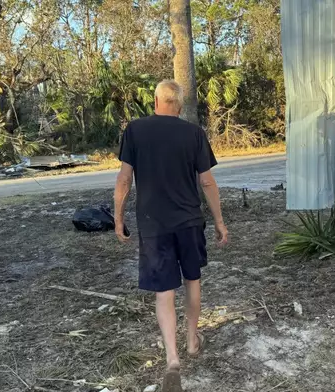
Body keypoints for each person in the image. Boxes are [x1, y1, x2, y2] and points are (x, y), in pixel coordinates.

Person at [113, 79, 228, 391]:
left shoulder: (135, 130)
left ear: (156, 101)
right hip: (190, 222)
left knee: (164, 291)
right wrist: (219, 221)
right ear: (178, 104)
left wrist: (118, 218)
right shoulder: (194, 133)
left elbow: (124, 180)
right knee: (193, 281)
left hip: (154, 226)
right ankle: (192, 340)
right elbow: (207, 183)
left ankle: (173, 359)